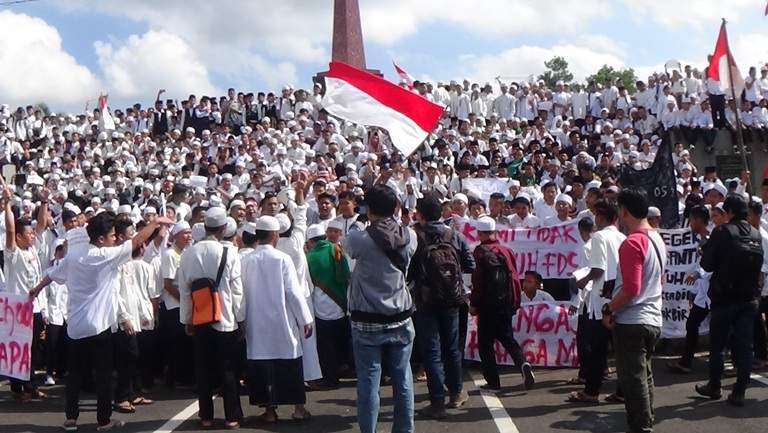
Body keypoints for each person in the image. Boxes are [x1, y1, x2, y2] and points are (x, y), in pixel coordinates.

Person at [30, 211, 172, 432]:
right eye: (113, 235)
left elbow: (52, 274)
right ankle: (103, 421)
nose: (116, 239)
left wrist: (36, 289)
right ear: (100, 238)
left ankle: (71, 419)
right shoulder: (105, 256)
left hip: (76, 328)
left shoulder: (75, 254)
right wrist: (154, 223)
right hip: (99, 328)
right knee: (104, 375)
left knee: (74, 376)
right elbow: (136, 240)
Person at [344, 184, 418, 433]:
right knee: (403, 378)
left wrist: (360, 218)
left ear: (368, 208)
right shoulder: (410, 236)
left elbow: (349, 243)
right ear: (396, 208)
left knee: (368, 381)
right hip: (400, 317)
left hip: (367, 321)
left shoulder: (359, 238)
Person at [602, 187, 666, 433]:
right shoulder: (657, 239)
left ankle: (640, 427)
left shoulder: (633, 242)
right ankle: (646, 420)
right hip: (653, 318)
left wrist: (609, 308)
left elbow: (631, 288)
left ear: (624, 211)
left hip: (633, 320)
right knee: (644, 374)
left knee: (633, 379)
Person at [408, 192, 475, 418]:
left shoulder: (415, 236)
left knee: (432, 351)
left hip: (425, 301)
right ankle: (456, 393)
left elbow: (407, 268)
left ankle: (437, 402)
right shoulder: (453, 235)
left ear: (421, 214)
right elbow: (469, 264)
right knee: (452, 348)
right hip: (452, 299)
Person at [177, 207, 245, 429]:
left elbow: (186, 291)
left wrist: (187, 319)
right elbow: (237, 291)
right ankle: (232, 416)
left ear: (204, 227)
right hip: (225, 318)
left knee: (203, 369)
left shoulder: (188, 253)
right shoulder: (230, 252)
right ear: (224, 228)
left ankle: (205, 416)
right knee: (228, 368)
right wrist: (240, 318)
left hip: (200, 317)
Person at [241, 215, 314, 422]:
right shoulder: (282, 259)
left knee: (261, 364)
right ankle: (299, 408)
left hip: (256, 321)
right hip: (282, 320)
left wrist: (241, 321)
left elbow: (242, 294)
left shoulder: (246, 260)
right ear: (275, 235)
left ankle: (270, 411)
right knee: (289, 362)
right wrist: (305, 319)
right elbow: (293, 292)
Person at [695, 194, 763, 407]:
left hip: (724, 299)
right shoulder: (755, 233)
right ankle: (739, 391)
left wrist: (705, 250)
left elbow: (707, 265)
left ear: (730, 212)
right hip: (749, 298)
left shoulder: (722, 232)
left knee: (718, 347)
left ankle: (714, 386)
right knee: (745, 347)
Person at [469, 215, 535, 391]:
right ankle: (523, 363)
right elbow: (514, 275)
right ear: (494, 231)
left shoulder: (480, 252)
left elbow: (479, 281)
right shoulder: (506, 250)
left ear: (480, 233)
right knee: (508, 338)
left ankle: (493, 382)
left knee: (485, 343)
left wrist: (474, 303)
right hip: (506, 302)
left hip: (488, 305)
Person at [569, 200, 625, 403]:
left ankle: (591, 392)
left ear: (601, 217)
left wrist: (582, 280)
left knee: (596, 349)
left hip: (601, 300)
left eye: (596, 215)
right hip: (619, 297)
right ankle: (622, 391)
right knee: (619, 350)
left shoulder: (600, 237)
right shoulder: (622, 237)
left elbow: (598, 269)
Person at [3, 185, 49, 401]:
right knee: (18, 348)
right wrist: (7, 204)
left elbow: (40, 224)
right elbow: (10, 230)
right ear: (20, 237)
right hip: (17, 308)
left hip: (35, 306)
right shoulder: (13, 254)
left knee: (32, 348)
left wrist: (44, 201)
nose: (32, 236)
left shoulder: (32, 249)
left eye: (32, 233)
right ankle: (16, 389)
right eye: (28, 234)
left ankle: (30, 385)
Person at [306, 223, 351, 389]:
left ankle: (330, 378)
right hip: (340, 303)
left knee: (326, 345)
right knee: (340, 339)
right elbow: (346, 275)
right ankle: (342, 368)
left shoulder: (309, 256)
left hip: (320, 305)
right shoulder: (337, 250)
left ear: (311, 241)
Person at [668, 205, 712, 374]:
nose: (690, 223)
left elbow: (710, 266)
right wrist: (694, 292)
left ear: (699, 220)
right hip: (703, 293)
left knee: (721, 327)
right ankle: (686, 362)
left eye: (692, 219)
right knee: (692, 323)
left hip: (715, 292)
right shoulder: (699, 239)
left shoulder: (712, 239)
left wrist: (697, 275)